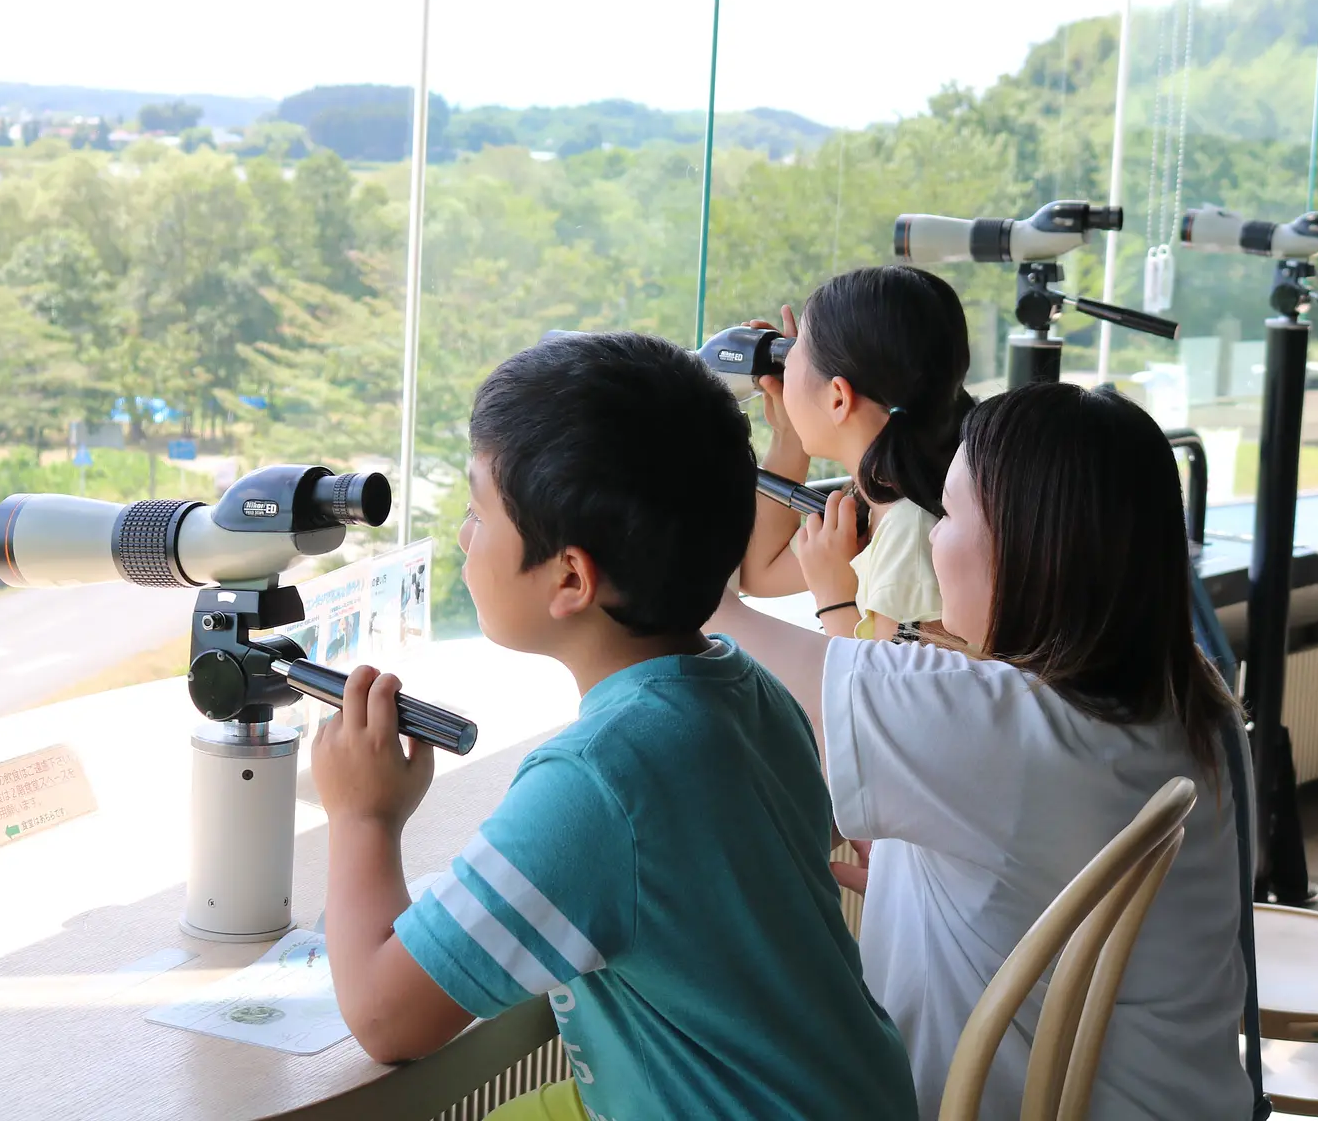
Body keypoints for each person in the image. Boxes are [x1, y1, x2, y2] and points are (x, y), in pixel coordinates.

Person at [310, 331, 916, 1121]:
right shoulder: (747, 692)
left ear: (569, 575)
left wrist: (363, 813)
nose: (464, 536)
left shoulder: (600, 779)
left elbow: (387, 1019)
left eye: (477, 510)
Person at [713, 380, 1253, 1120]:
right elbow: (1032, 854)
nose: (933, 535)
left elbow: (718, 625)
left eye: (952, 511)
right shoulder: (1185, 688)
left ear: (1031, 548)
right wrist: (919, 886)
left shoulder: (997, 718)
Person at [736, 265, 973, 641]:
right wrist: (788, 438)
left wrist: (834, 597)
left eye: (793, 354)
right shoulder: (874, 497)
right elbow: (758, 572)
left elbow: (882, 693)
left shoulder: (910, 532)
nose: (782, 367)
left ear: (838, 398)